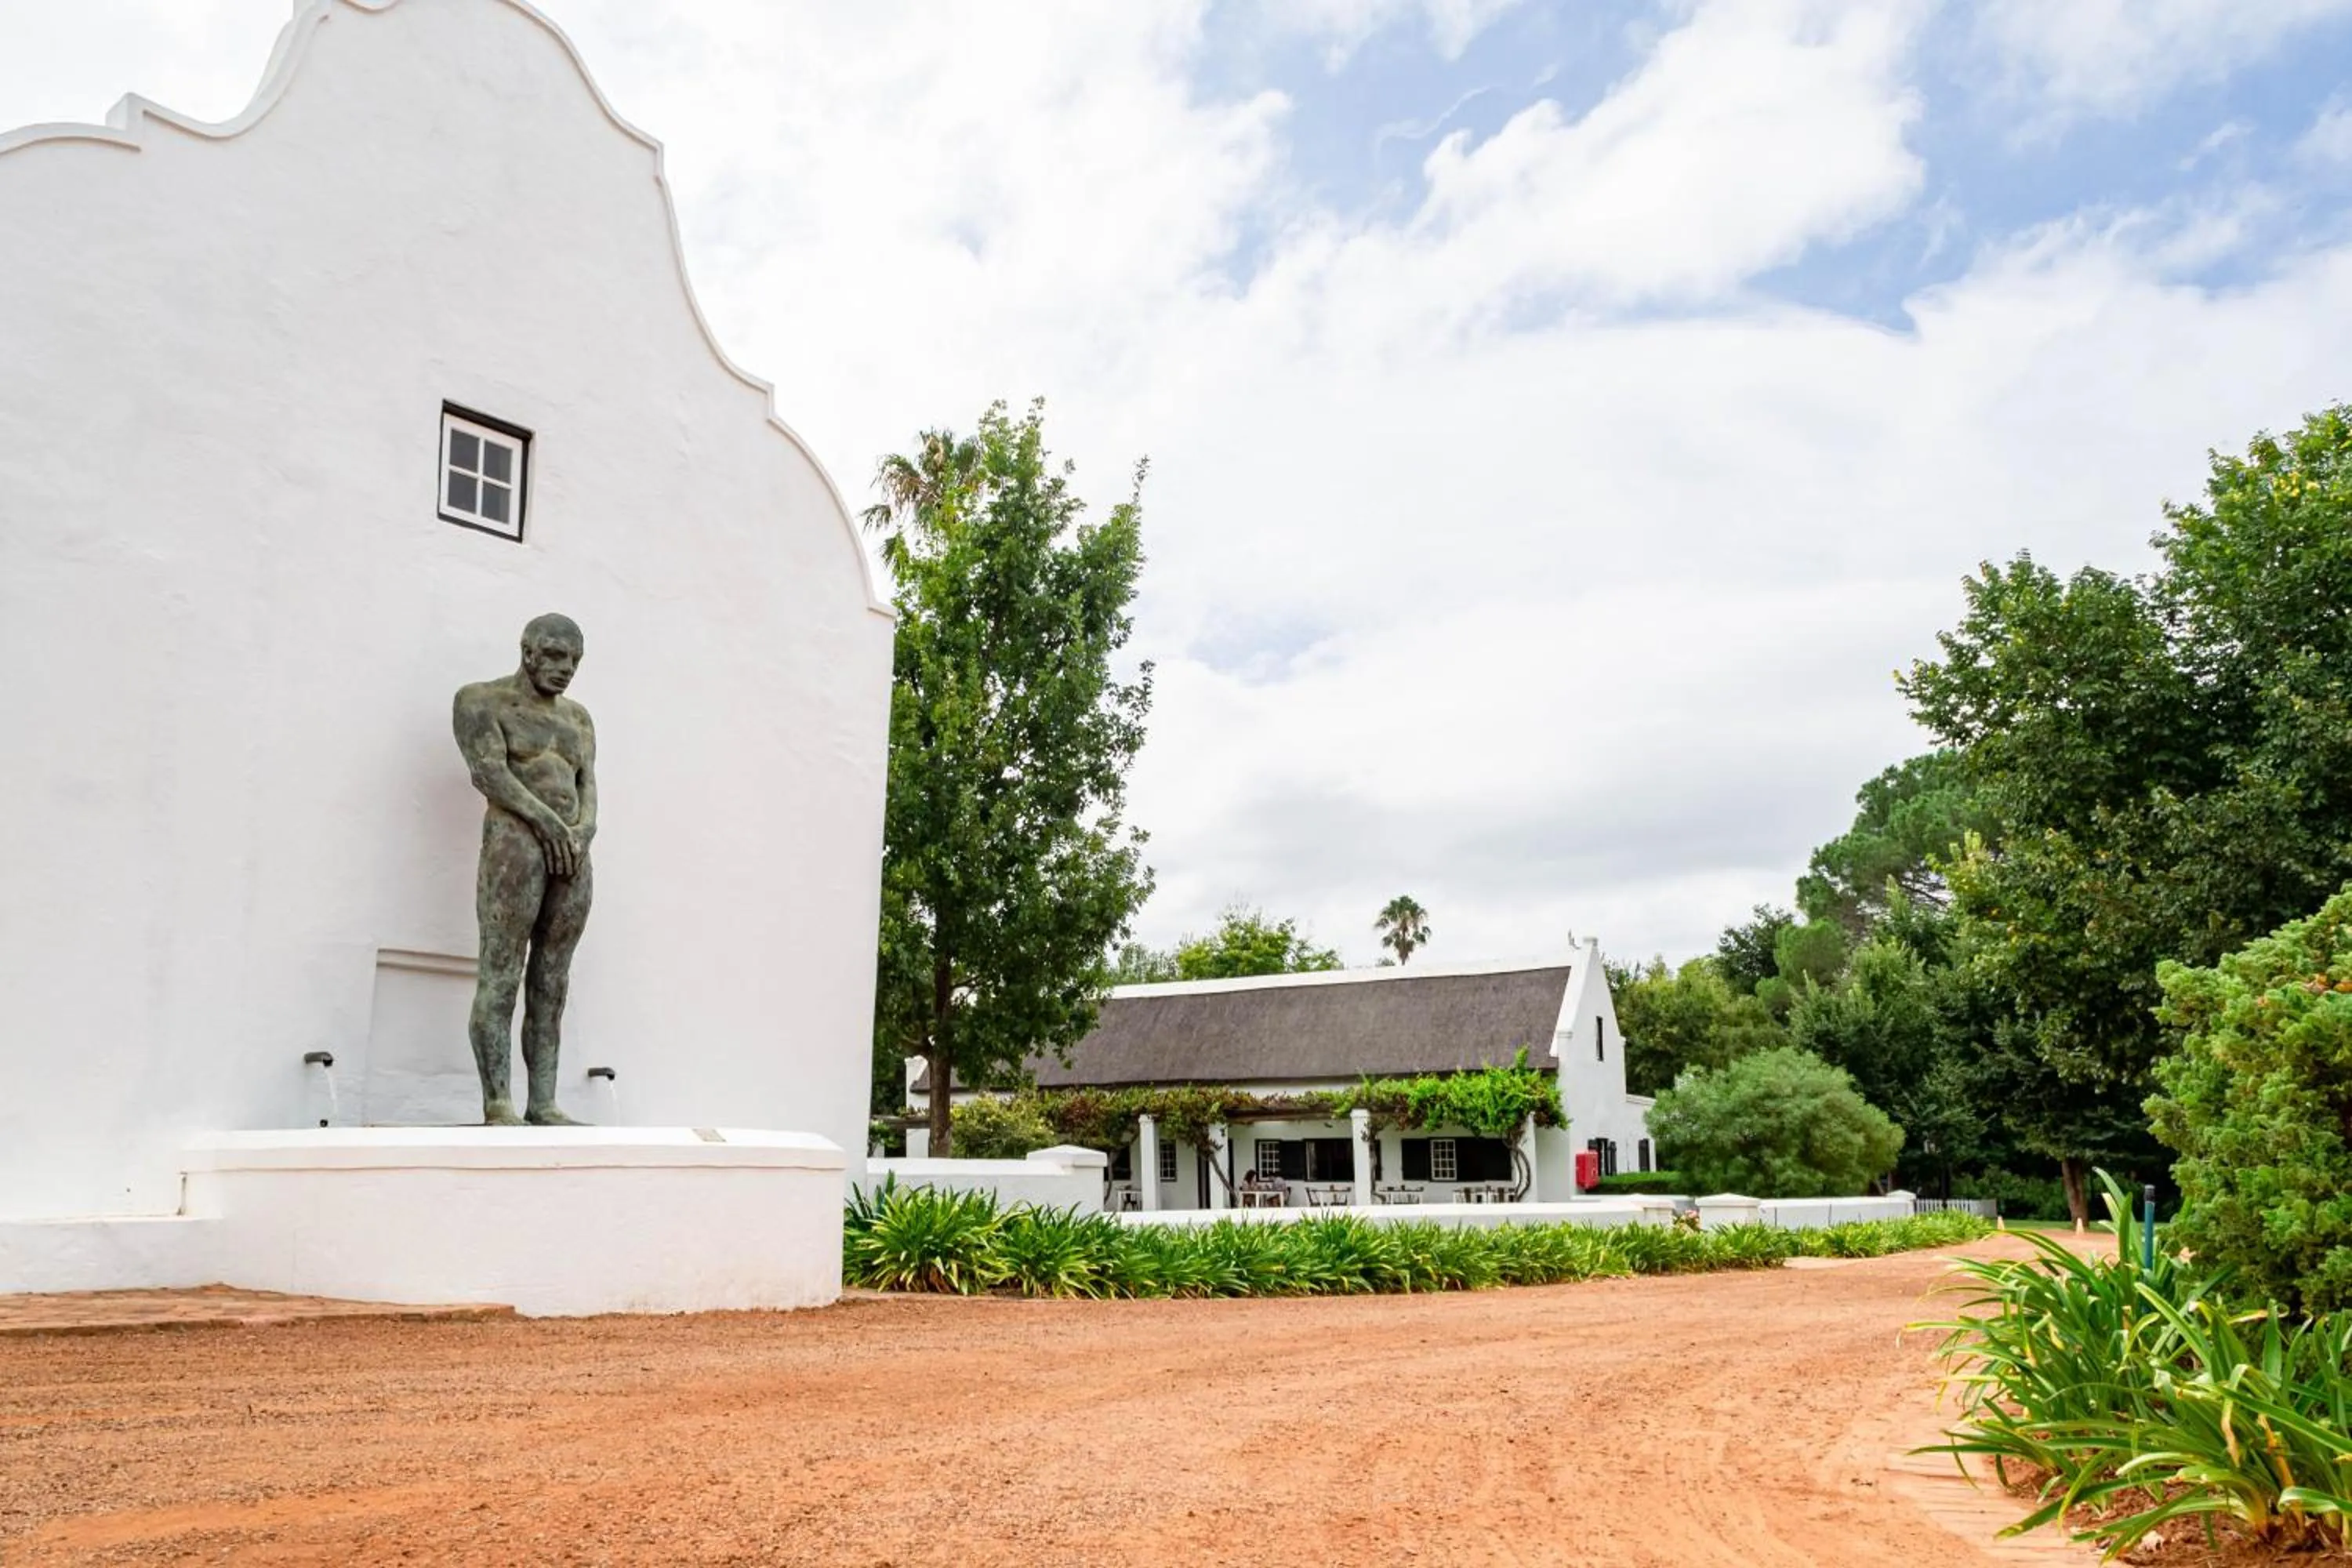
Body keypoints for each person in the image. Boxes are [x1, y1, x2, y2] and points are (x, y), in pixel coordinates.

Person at [452, 613, 597, 1126]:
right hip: (515, 844)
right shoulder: (480, 700)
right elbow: (487, 772)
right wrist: (548, 823)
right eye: (556, 656)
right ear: (529, 651)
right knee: (502, 972)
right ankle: (498, 1103)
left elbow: (588, 785)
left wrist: (581, 831)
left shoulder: (578, 719)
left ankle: (543, 1101)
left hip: (571, 853)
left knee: (552, 980)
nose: (566, 669)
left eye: (575, 660)